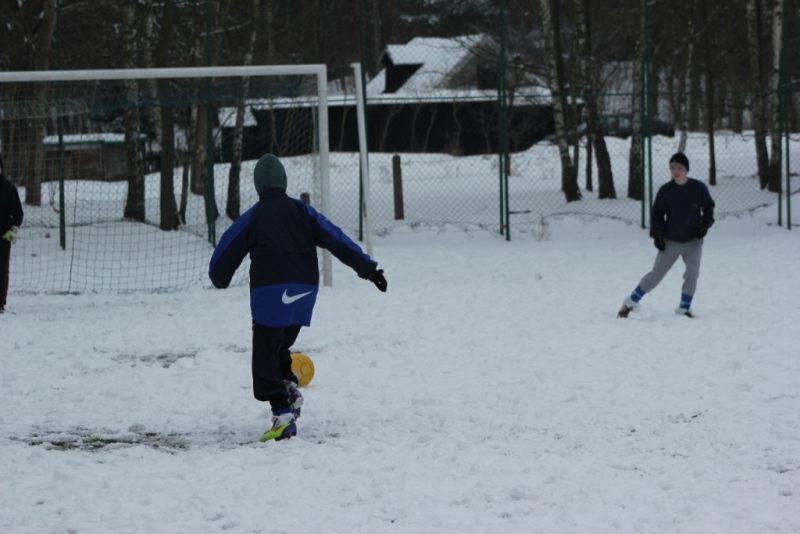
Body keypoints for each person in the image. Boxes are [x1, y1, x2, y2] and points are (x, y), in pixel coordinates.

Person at [209, 153, 387, 442]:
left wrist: (220, 279)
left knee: (264, 354)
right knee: (279, 344)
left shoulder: (254, 215)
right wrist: (368, 269)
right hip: (304, 293)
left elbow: (223, 256)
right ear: (284, 182)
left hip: (270, 292)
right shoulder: (304, 212)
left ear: (258, 186)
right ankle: (288, 387)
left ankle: (283, 415)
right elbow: (336, 238)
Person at [618, 152, 715, 319]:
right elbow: (657, 215)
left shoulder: (698, 188)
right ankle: (630, 303)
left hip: (693, 242)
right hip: (671, 241)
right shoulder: (666, 191)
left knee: (693, 273)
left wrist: (705, 224)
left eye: (679, 168)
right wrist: (657, 235)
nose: (676, 171)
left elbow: (709, 208)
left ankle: (684, 308)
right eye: (672, 168)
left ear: (686, 170)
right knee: (656, 275)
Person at [1, 156, 24, 314]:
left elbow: (18, 213)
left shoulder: (9, 188)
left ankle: (0, 302)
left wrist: (13, 230)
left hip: (3, 237)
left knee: (2, 270)